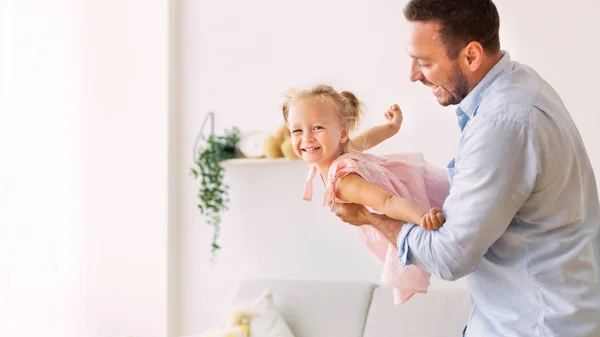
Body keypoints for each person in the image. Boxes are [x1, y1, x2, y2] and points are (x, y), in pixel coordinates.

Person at [332, 0, 600, 336]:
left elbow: (449, 256)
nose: (412, 75)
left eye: (424, 62)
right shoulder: (522, 85)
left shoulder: (502, 124)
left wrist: (370, 215)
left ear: (471, 56)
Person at [282, 84, 450, 303]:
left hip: (410, 202)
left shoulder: (343, 181)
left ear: (342, 133)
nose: (307, 138)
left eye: (317, 128)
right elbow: (368, 139)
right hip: (410, 188)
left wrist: (422, 218)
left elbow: (387, 201)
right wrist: (392, 127)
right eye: (297, 130)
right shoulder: (341, 150)